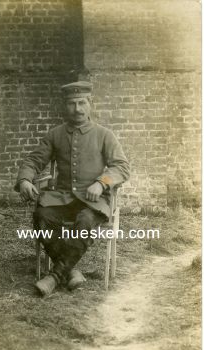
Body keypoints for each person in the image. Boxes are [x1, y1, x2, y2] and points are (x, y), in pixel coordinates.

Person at [15, 79, 130, 296]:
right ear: (65, 106)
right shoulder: (55, 134)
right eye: (71, 104)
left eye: (81, 103)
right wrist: (25, 180)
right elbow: (33, 161)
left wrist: (101, 182)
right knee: (42, 216)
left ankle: (54, 276)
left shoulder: (104, 135)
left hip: (94, 200)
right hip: (63, 198)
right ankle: (69, 271)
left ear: (90, 104)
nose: (77, 109)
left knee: (85, 220)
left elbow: (122, 167)